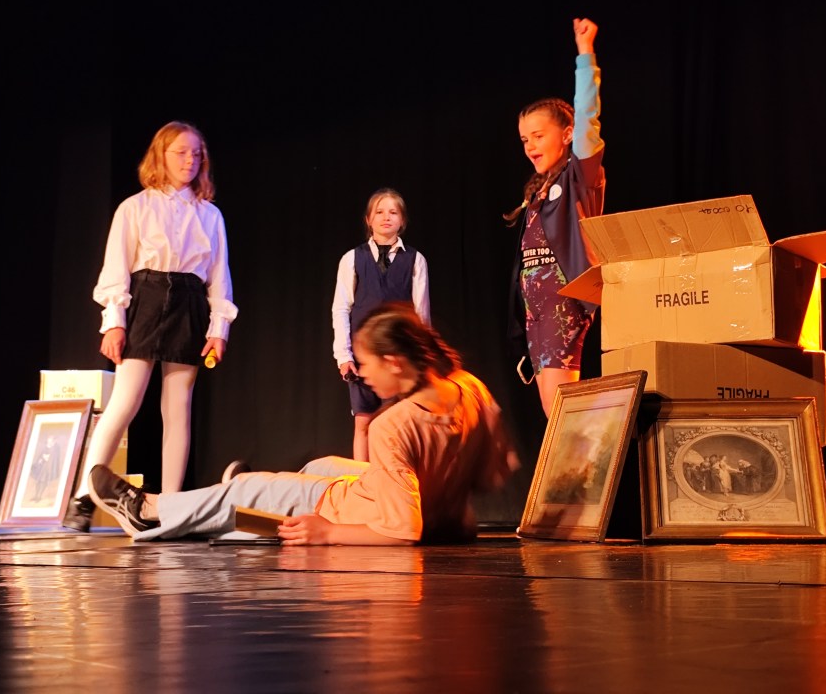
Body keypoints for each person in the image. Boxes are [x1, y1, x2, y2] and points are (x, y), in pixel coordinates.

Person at [87, 302, 518, 545]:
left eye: (366, 364)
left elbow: (404, 530)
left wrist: (329, 533)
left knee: (245, 491)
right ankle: (248, 499)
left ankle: (150, 513)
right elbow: (494, 473)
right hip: (429, 507)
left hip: (354, 512)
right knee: (321, 465)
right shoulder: (469, 388)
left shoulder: (392, 425)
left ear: (393, 361)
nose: (363, 374)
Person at [63, 120, 238, 532]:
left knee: (178, 407)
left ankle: (171, 505)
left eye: (197, 154)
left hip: (189, 302)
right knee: (125, 401)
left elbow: (219, 277)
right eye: (181, 152)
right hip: (146, 298)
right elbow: (116, 270)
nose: (190, 160)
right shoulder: (135, 207)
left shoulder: (210, 215)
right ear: (161, 155)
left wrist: (218, 329)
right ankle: (85, 497)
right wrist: (114, 323)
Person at [504, 18, 606, 418]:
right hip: (537, 307)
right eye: (524, 139)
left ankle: (584, 459)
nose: (530, 146)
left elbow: (587, 114)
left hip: (564, 301)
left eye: (539, 136)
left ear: (567, 135)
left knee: (562, 407)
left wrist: (585, 54)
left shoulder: (579, 177)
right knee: (555, 408)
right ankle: (575, 458)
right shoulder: (538, 189)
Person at [332, 188, 430, 461]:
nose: (386, 217)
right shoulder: (352, 259)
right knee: (364, 423)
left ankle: (395, 480)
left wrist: (420, 359)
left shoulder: (415, 260)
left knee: (396, 425)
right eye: (379, 212)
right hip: (363, 357)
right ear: (368, 219)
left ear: (403, 220)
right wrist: (344, 356)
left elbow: (422, 315)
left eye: (393, 212)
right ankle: (364, 482)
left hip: (399, 356)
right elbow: (341, 308)